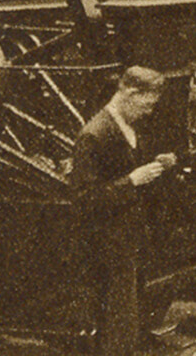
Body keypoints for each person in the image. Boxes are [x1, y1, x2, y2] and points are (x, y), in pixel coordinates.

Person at [71, 66, 167, 356]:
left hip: (129, 236)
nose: (150, 112)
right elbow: (85, 198)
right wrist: (132, 180)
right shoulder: (94, 134)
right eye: (147, 105)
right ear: (130, 93)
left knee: (129, 310)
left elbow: (124, 166)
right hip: (109, 243)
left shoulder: (127, 126)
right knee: (116, 314)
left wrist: (156, 163)